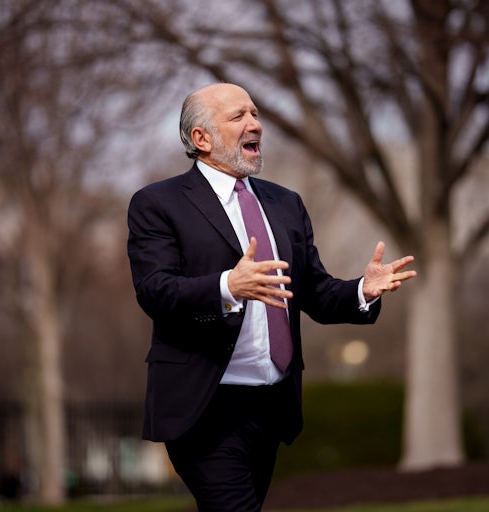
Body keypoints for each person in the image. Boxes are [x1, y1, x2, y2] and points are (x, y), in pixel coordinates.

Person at [127, 83, 416, 511]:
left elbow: (315, 293)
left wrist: (361, 289)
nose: (255, 125)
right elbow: (155, 290)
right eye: (238, 116)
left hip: (270, 405)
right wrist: (228, 286)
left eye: (256, 114)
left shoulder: (285, 204)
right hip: (205, 407)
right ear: (201, 139)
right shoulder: (158, 203)